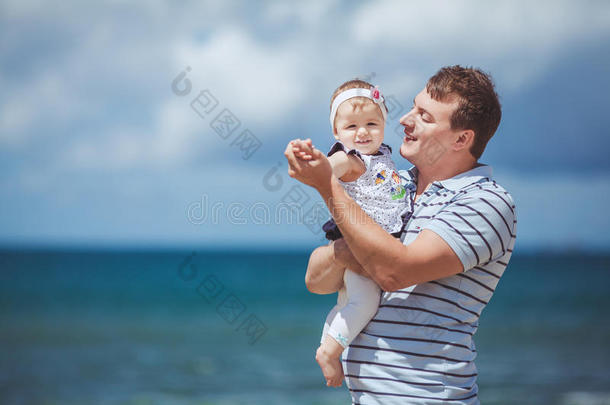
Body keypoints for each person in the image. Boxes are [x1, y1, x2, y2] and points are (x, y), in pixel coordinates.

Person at [285, 65, 516, 404]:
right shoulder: (392, 185)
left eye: (424, 116)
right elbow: (316, 280)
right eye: (412, 107)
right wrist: (346, 251)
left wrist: (327, 186)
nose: (405, 120)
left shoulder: (486, 202)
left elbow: (395, 272)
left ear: (462, 138)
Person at [292, 79, 410, 387]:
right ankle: (330, 354)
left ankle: (326, 347)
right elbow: (333, 166)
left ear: (384, 124)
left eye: (372, 123)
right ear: (336, 132)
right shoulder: (354, 158)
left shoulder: (383, 156)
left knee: (348, 304)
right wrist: (317, 165)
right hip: (362, 245)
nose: (362, 133)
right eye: (351, 126)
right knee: (365, 303)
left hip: (375, 244)